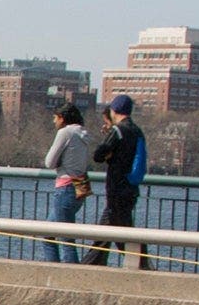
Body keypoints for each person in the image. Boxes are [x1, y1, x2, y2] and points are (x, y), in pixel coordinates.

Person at [86, 94, 150, 268]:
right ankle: (141, 264)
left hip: (116, 189)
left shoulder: (117, 131)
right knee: (118, 229)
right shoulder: (137, 131)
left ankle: (90, 267)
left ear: (114, 111)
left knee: (113, 230)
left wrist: (108, 150)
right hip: (130, 188)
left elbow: (98, 155)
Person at [41, 103, 91, 263]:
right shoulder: (84, 133)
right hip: (81, 185)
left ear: (63, 118)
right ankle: (56, 270)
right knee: (48, 233)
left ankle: (68, 275)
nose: (54, 121)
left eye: (55, 118)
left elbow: (49, 162)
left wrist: (60, 162)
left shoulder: (65, 133)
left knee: (65, 237)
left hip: (65, 187)